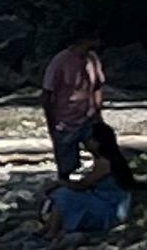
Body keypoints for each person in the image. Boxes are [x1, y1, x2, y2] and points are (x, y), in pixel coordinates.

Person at [50, 115, 133, 245]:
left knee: (64, 195)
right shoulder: (109, 159)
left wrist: (61, 183)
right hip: (105, 202)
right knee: (67, 195)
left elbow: (83, 184)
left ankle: (52, 231)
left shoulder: (105, 163)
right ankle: (51, 228)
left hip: (110, 208)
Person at [42, 30, 106, 183]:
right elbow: (47, 94)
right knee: (66, 168)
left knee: (103, 153)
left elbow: (97, 86)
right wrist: (51, 123)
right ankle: (67, 195)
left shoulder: (92, 59)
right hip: (65, 121)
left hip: (88, 117)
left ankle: (97, 186)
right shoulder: (60, 61)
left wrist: (98, 113)